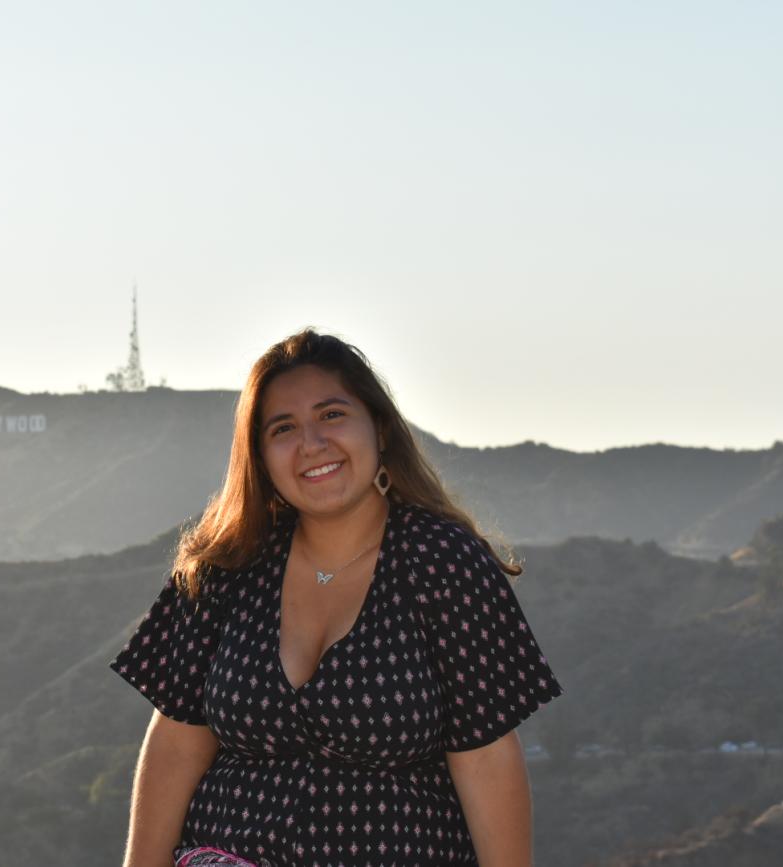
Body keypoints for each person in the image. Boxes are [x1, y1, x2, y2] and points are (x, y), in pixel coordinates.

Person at [108, 328, 565, 867]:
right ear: (260, 457)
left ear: (380, 428)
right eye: (283, 428)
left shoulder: (444, 562)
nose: (311, 444)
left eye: (331, 415)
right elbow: (177, 744)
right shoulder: (226, 564)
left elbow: (486, 758)